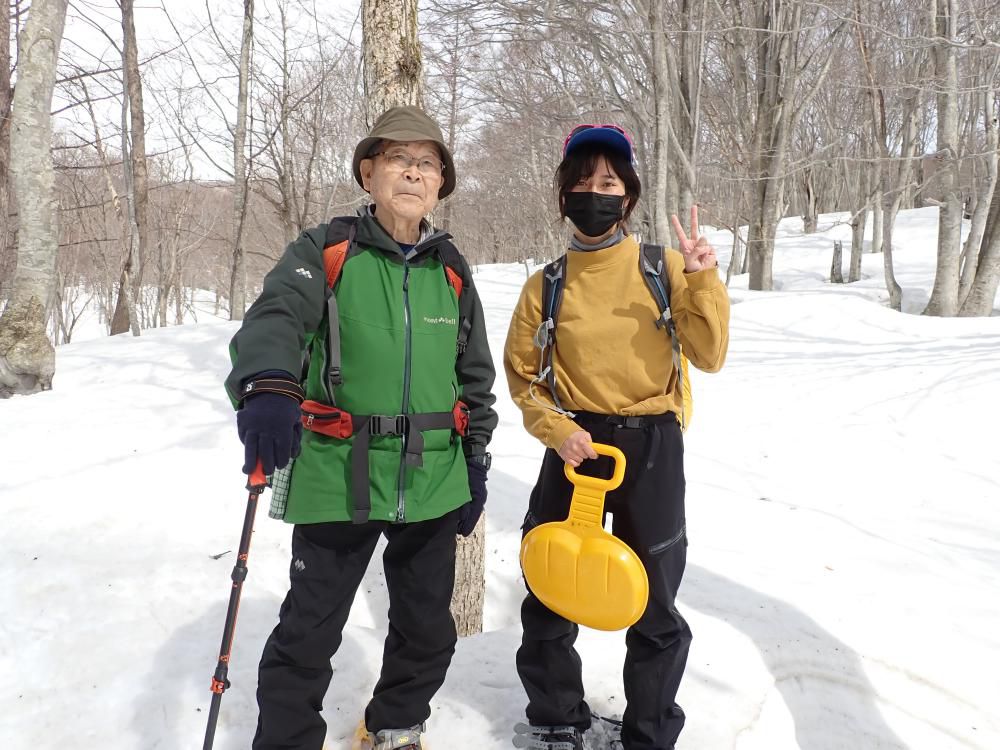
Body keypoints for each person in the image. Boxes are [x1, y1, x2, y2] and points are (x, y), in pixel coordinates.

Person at [224, 105, 498, 750]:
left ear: (440, 183)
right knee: (310, 628)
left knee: (429, 628)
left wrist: (476, 459)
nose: (413, 172)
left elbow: (474, 373)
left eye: (427, 163)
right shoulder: (327, 250)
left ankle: (396, 725)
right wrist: (268, 382)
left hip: (432, 475)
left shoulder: (451, 270)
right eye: (398, 159)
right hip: (336, 467)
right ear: (369, 173)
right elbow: (276, 317)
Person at [503, 124, 730, 750]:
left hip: (650, 446)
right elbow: (524, 379)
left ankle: (649, 735)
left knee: (655, 603)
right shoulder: (545, 285)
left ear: (627, 196)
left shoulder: (667, 268)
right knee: (550, 584)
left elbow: (708, 355)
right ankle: (555, 720)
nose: (594, 195)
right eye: (581, 184)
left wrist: (705, 278)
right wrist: (557, 430)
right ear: (563, 197)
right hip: (574, 447)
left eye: (607, 183)